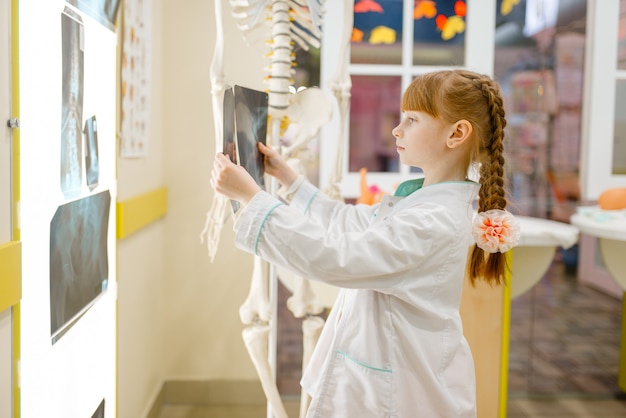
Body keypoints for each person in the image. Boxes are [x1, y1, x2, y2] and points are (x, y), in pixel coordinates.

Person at [210, 69, 520, 417]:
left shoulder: (433, 220)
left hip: (398, 394)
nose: (396, 129)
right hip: (387, 379)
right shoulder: (420, 203)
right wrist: (288, 179)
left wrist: (253, 198)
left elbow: (339, 257)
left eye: (412, 120)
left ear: (457, 133)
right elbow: (349, 224)